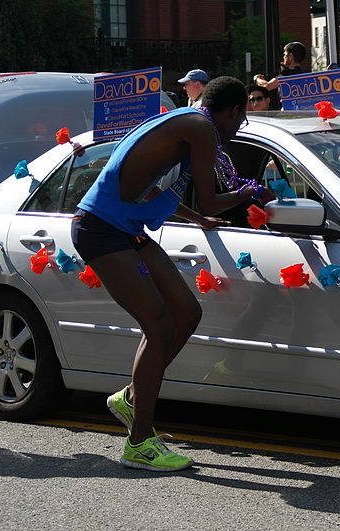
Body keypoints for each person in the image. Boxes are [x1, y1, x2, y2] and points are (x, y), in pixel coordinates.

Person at [72, 77, 259, 472]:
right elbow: (210, 195)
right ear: (234, 111)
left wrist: (197, 218)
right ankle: (139, 442)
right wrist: (248, 193)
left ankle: (131, 398)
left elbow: (153, 189)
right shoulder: (201, 129)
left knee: (186, 313)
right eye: (241, 120)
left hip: (125, 229)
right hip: (101, 229)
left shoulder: (191, 122)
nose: (238, 128)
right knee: (158, 326)